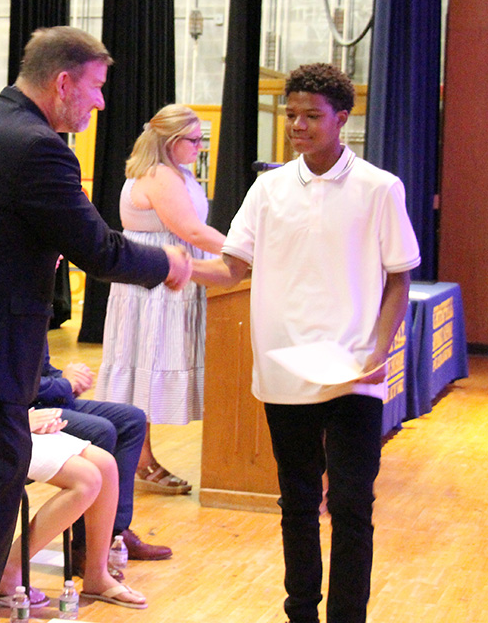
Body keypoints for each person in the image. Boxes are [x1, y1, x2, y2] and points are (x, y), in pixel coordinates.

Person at [0, 25, 191, 623]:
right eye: (94, 88)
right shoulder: (38, 146)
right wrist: (169, 262)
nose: (100, 102)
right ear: (63, 82)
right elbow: (98, 250)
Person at [191, 63, 421, 623]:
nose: (297, 125)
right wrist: (171, 267)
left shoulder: (379, 187)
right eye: (291, 114)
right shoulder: (267, 188)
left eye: (311, 116)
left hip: (354, 373)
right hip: (283, 370)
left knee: (350, 506)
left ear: (343, 118)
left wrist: (379, 348)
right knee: (296, 503)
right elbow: (232, 267)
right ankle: (300, 613)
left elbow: (399, 277)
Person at [95, 104, 225, 493]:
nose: (199, 147)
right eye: (194, 140)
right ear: (170, 142)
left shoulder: (176, 173)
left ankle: (139, 456)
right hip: (156, 284)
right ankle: (138, 459)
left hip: (165, 277)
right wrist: (246, 252)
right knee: (144, 364)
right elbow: (193, 231)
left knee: (144, 364)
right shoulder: (159, 176)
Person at [35, 343, 172, 572]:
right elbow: (8, 384)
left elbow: (40, 369)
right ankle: (85, 548)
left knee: (132, 419)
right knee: (101, 431)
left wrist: (70, 381)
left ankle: (115, 534)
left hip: (41, 399)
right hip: (20, 411)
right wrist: (64, 384)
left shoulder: (31, 307)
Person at [0, 408, 147, 610]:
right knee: (86, 480)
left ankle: (97, 575)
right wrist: (18, 420)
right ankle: (10, 567)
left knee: (105, 464)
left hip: (17, 418)